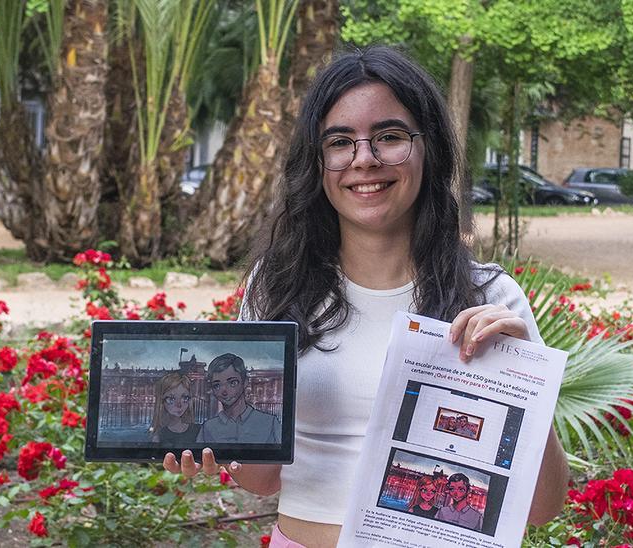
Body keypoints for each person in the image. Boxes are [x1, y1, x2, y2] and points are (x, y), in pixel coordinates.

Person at [163, 46, 570, 548]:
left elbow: (542, 509)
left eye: (390, 137)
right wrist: (213, 442)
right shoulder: (277, 287)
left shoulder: (489, 296)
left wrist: (528, 383)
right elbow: (263, 481)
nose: (364, 159)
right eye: (340, 142)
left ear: (429, 149)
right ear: (317, 161)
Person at [196, 353, 281, 444]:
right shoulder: (208, 428)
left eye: (232, 383)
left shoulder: (270, 422)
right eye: (217, 385)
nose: (224, 391)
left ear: (245, 382)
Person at [151, 372, 201, 445]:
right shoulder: (158, 435)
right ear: (161, 401)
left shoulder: (198, 430)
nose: (179, 405)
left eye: (185, 398)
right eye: (171, 399)